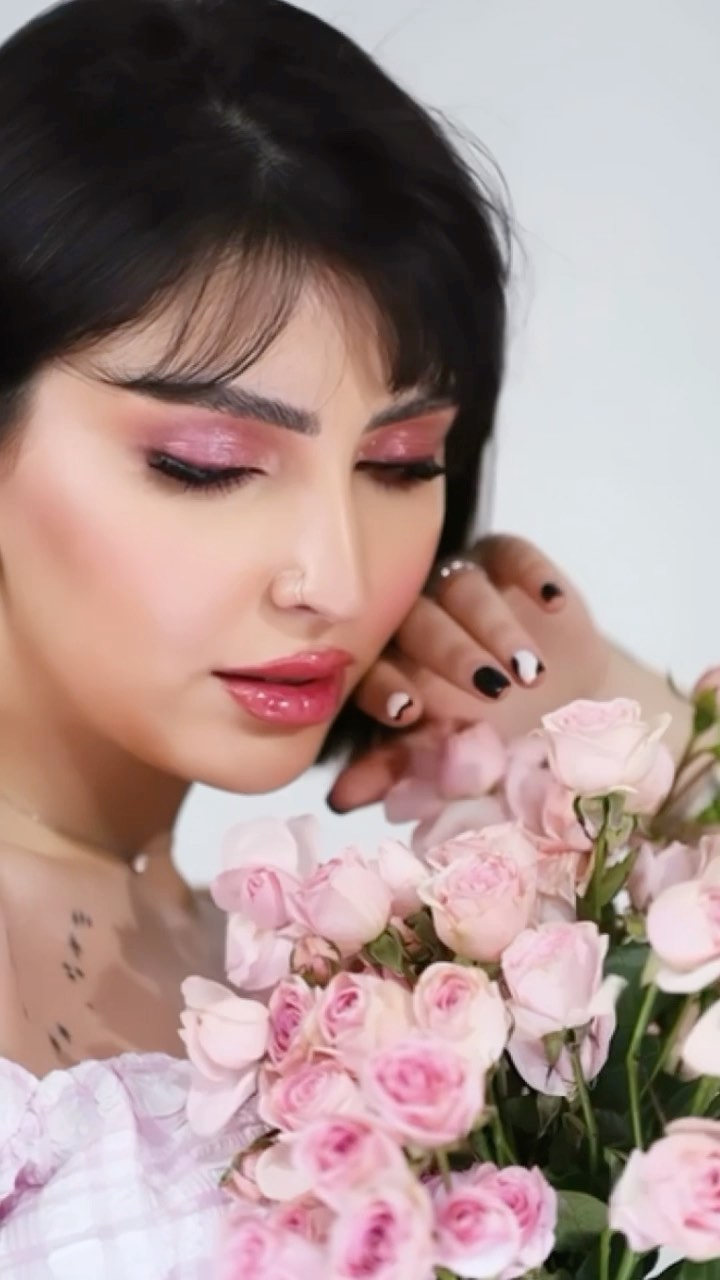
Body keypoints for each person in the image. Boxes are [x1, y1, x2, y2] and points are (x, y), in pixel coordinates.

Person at [0, 0, 693, 1274]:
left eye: (401, 461)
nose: (334, 577)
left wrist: (608, 733)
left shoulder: (338, 976)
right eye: (207, 463)